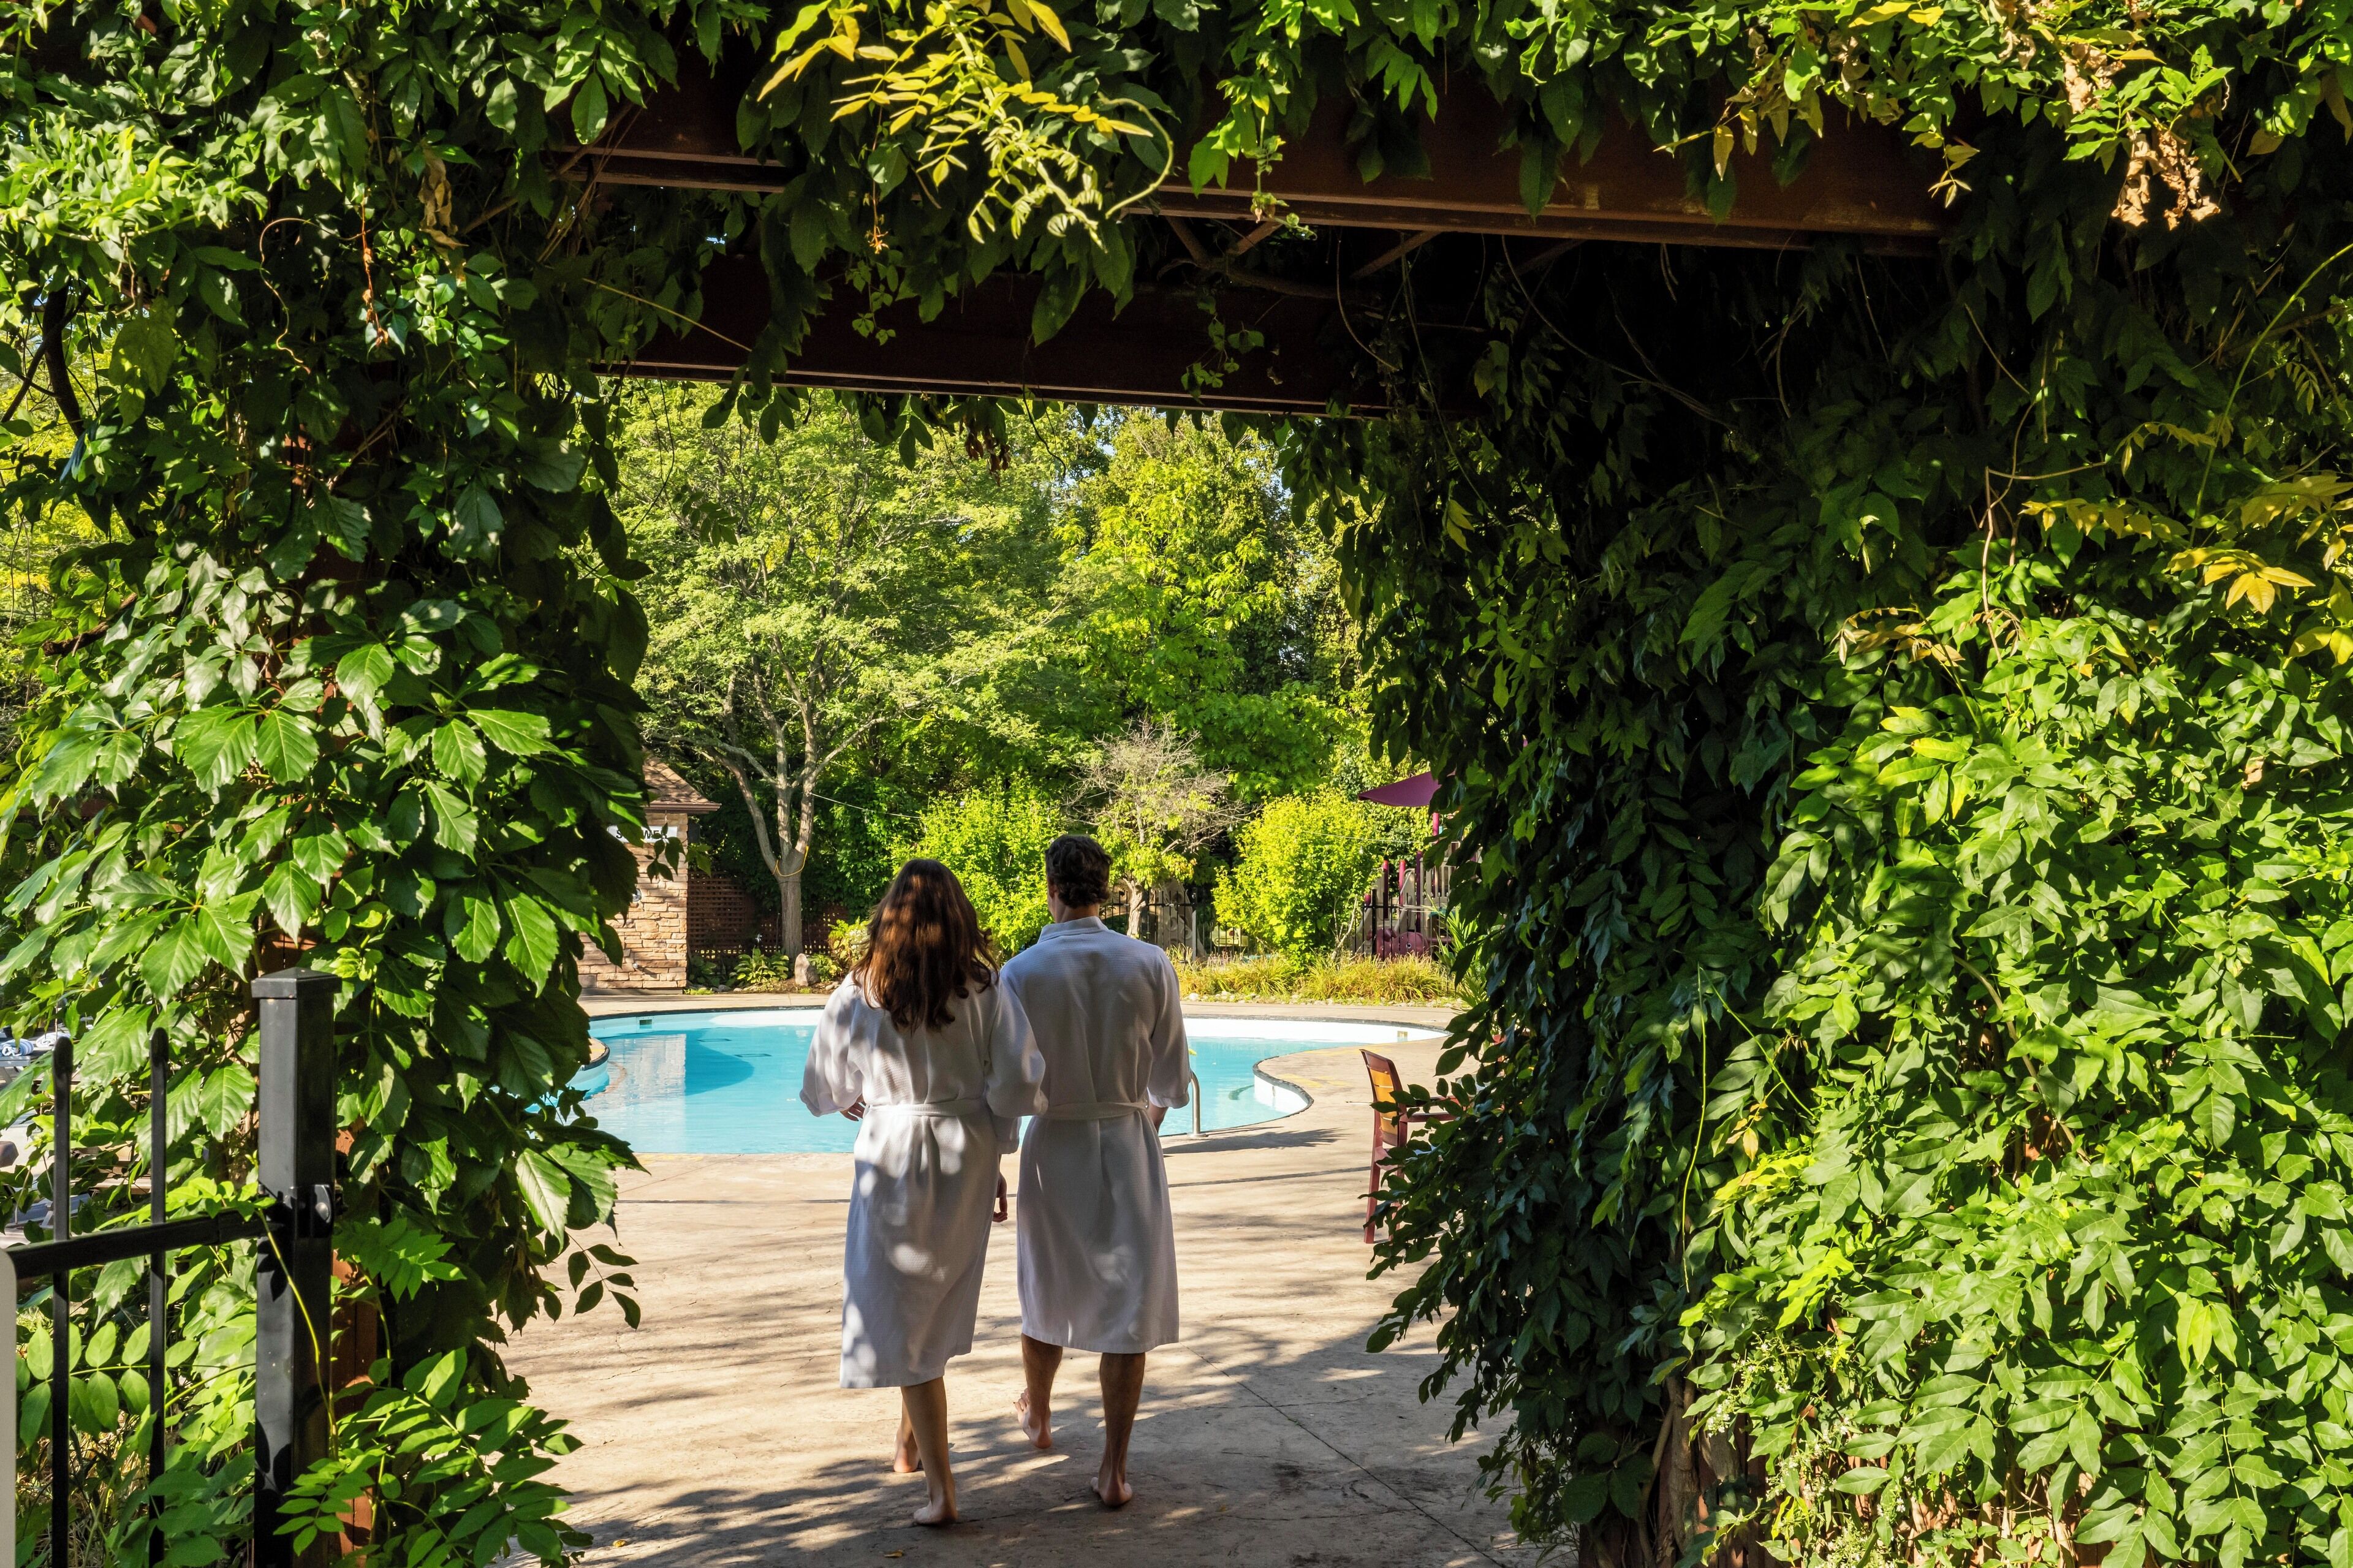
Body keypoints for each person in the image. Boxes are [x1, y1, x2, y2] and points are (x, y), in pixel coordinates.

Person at [800, 858, 1046, 1526]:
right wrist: (992, 1143)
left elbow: (823, 1090)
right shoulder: (985, 987)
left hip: (893, 1151)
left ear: (889, 916)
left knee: (903, 1308)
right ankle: (909, 1448)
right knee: (930, 1306)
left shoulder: (862, 989)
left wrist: (863, 1095)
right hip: (964, 1151)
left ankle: (942, 1492)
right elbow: (1020, 1082)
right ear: (958, 916)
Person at [999, 833, 1189, 1508]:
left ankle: (1042, 1415)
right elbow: (1172, 1079)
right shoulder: (1148, 962)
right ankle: (1113, 1469)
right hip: (1127, 1139)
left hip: (1055, 1145)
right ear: (1105, 890)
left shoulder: (1020, 973)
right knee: (1129, 1303)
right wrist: (1137, 1122)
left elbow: (1011, 1085)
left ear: (1049, 886)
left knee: (1044, 1284)